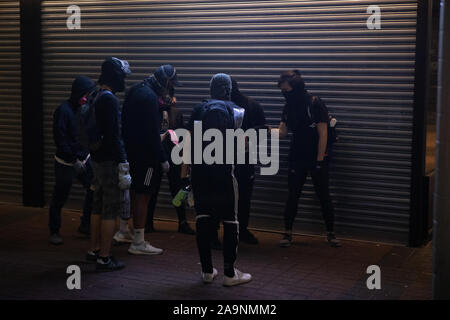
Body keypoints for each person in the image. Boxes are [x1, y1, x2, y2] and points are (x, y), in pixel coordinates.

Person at [186, 73, 252, 286]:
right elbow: (241, 146)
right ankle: (230, 274)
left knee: (203, 219)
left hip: (199, 173)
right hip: (224, 173)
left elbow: (188, 144)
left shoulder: (198, 109)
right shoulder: (237, 111)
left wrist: (185, 174)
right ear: (229, 89)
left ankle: (206, 271)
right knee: (231, 220)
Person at [273, 70, 341, 248]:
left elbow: (323, 133)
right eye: (282, 91)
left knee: (323, 195)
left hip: (317, 156)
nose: (284, 94)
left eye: (286, 90)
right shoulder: (289, 106)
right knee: (292, 195)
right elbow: (282, 132)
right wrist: (263, 130)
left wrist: (319, 161)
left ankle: (331, 233)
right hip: (297, 155)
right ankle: (287, 233)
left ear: (295, 88)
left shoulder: (314, 103)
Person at [121, 65, 183, 255]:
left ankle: (124, 230)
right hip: (147, 158)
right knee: (144, 194)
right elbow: (152, 133)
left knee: (132, 191)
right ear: (165, 81)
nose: (170, 89)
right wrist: (163, 158)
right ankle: (138, 241)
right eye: (171, 84)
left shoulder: (137, 90)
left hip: (132, 152)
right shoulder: (149, 98)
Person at [87, 57, 132, 271]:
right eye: (122, 76)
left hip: (96, 158)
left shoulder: (95, 94)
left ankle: (94, 249)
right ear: (115, 76)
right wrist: (122, 161)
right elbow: (115, 135)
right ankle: (105, 257)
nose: (124, 80)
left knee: (97, 204)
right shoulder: (110, 99)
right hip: (108, 161)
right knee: (110, 208)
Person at [48, 76, 96, 245]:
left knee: (93, 190)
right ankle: (54, 231)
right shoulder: (63, 111)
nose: (87, 97)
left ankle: (85, 224)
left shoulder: (84, 109)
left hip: (83, 158)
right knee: (59, 197)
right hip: (65, 162)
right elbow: (60, 139)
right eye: (85, 94)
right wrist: (73, 159)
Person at [145, 85, 195, 235]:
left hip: (173, 156)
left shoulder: (177, 113)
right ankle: (147, 222)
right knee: (150, 189)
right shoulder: (152, 112)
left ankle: (182, 222)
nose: (167, 97)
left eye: (169, 94)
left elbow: (181, 134)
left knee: (178, 189)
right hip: (154, 157)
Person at [230, 78, 266, 244]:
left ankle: (241, 230)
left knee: (243, 196)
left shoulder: (251, 106)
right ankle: (220, 233)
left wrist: (249, 134)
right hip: (221, 158)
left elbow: (262, 129)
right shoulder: (214, 106)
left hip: (242, 159)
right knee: (229, 196)